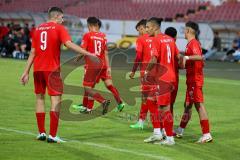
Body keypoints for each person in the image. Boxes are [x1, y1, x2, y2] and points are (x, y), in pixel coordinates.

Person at [20, 7, 97, 143]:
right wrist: (88, 53)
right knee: (56, 101)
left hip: (37, 69)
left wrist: (25, 71)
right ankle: (53, 135)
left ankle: (41, 132)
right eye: (62, 17)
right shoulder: (59, 28)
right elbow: (69, 44)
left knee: (39, 99)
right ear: (56, 16)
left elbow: (32, 52)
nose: (63, 20)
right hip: (52, 70)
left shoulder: (38, 29)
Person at [73, 17, 124, 114]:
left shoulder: (87, 35)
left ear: (89, 25)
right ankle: (87, 108)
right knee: (94, 86)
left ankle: (102, 101)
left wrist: (77, 58)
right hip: (101, 65)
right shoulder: (103, 36)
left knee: (88, 87)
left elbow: (82, 50)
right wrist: (108, 67)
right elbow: (105, 53)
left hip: (91, 65)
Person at [175, 21, 213, 143]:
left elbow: (199, 57)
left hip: (195, 80)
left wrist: (186, 57)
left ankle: (206, 134)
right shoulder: (191, 44)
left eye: (185, 30)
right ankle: (180, 129)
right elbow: (201, 60)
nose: (184, 32)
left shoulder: (193, 43)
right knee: (187, 106)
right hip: (191, 80)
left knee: (199, 105)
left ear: (189, 31)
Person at [143, 17, 179, 145]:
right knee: (151, 100)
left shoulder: (156, 40)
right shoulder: (170, 39)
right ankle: (157, 133)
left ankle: (169, 138)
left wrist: (146, 71)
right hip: (169, 76)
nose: (146, 30)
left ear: (154, 27)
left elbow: (153, 58)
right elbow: (178, 57)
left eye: (147, 27)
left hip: (163, 78)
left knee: (165, 108)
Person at [129, 19, 156, 130]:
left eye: (140, 29)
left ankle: (142, 122)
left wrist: (133, 70)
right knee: (157, 98)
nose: (139, 32)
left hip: (145, 72)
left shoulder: (141, 39)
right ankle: (162, 125)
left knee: (145, 98)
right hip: (157, 72)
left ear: (145, 27)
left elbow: (138, 57)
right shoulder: (156, 38)